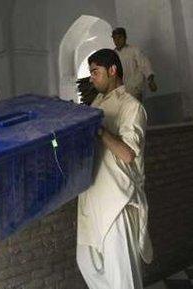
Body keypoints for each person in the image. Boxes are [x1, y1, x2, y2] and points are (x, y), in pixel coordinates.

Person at [76, 48, 153, 289]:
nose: (91, 78)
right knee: (87, 264)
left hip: (117, 202)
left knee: (123, 279)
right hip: (91, 200)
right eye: (90, 73)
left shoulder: (131, 106)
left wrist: (98, 129)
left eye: (95, 72)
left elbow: (128, 154)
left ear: (112, 70)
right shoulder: (96, 104)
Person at [112, 27, 157, 101]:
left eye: (120, 37)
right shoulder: (113, 54)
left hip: (135, 89)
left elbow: (145, 65)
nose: (117, 40)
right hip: (120, 92)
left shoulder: (134, 50)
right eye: (115, 38)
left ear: (125, 38)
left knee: (136, 110)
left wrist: (151, 81)